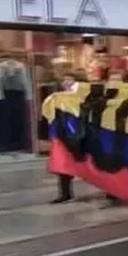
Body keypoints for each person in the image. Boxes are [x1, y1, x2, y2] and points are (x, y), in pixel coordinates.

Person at [50, 72, 83, 204]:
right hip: (61, 135)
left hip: (79, 135)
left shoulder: (82, 97)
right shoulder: (56, 98)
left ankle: (111, 191)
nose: (67, 82)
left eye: (70, 80)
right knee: (62, 166)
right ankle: (66, 194)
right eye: (65, 80)